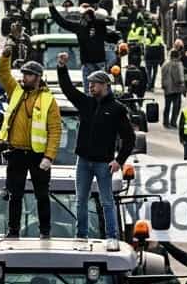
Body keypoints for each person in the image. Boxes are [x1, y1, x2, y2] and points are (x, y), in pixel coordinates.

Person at [56, 56, 135, 240]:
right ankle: (81, 235)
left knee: (107, 202)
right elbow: (68, 90)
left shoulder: (117, 109)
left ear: (105, 85)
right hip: (83, 161)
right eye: (89, 83)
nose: (91, 87)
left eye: (95, 84)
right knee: (80, 201)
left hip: (103, 164)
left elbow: (129, 138)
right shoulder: (86, 103)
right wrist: (62, 68)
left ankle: (112, 237)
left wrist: (119, 161)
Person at [0, 49, 61, 238]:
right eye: (23, 74)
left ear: (38, 78)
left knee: (42, 195)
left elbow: (55, 130)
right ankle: (13, 231)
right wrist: (6, 56)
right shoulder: (16, 91)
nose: (24, 77)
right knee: (14, 195)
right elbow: (3, 75)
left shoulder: (48, 100)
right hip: (16, 152)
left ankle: (45, 232)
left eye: (29, 75)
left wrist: (49, 156)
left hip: (38, 156)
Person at [49, 3, 119, 79]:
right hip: (97, 63)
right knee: (100, 86)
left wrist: (51, 7)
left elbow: (62, 22)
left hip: (91, 64)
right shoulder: (99, 25)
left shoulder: (82, 27)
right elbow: (112, 28)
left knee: (90, 88)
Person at [161, 46, 187, 129]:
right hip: (176, 88)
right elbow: (179, 77)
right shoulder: (178, 64)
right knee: (176, 106)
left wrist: (163, 85)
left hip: (167, 88)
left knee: (167, 106)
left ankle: (165, 122)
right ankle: (173, 122)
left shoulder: (165, 64)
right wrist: (182, 85)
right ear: (177, 56)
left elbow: (163, 76)